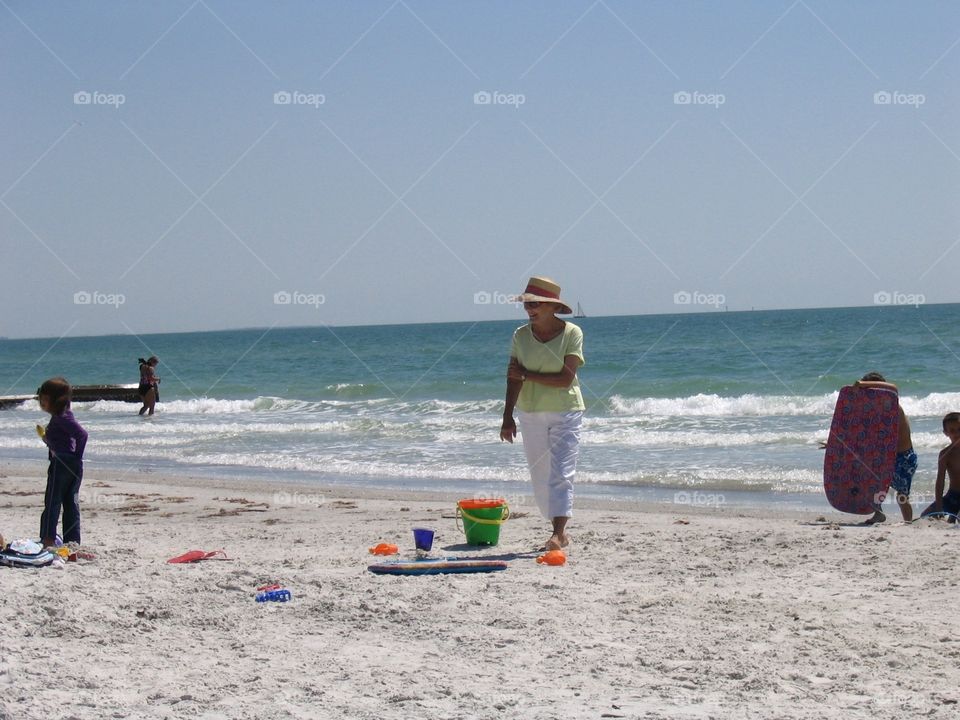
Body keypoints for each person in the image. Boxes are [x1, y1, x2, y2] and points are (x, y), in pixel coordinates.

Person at [500, 276, 585, 551]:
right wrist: (506, 417)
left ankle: (559, 533)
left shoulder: (572, 333)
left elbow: (565, 378)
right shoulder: (520, 335)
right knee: (540, 476)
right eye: (527, 304)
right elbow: (513, 377)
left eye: (535, 303)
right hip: (530, 412)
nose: (529, 309)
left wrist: (527, 374)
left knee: (562, 472)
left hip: (566, 411)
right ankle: (557, 528)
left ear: (552, 306)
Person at [855, 373, 916, 524]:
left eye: (870, 389)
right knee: (872, 483)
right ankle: (878, 514)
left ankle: (908, 522)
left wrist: (861, 384)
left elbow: (894, 388)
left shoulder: (893, 404)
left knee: (901, 496)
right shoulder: (876, 410)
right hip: (888, 456)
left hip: (904, 457)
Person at [37, 377, 88, 548]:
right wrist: (47, 438)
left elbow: (82, 435)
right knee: (70, 502)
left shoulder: (61, 418)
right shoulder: (65, 416)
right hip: (71, 464)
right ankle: (72, 541)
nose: (40, 403)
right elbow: (65, 441)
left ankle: (48, 539)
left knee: (52, 502)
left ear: (55, 400)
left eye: (43, 399)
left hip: (62, 464)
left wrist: (76, 457)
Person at [921, 412, 960, 521]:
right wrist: (939, 506)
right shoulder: (945, 454)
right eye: (952, 430)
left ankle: (953, 516)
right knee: (924, 516)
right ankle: (952, 515)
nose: (957, 433)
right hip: (952, 496)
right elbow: (940, 481)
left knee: (954, 519)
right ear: (946, 433)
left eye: (959, 429)